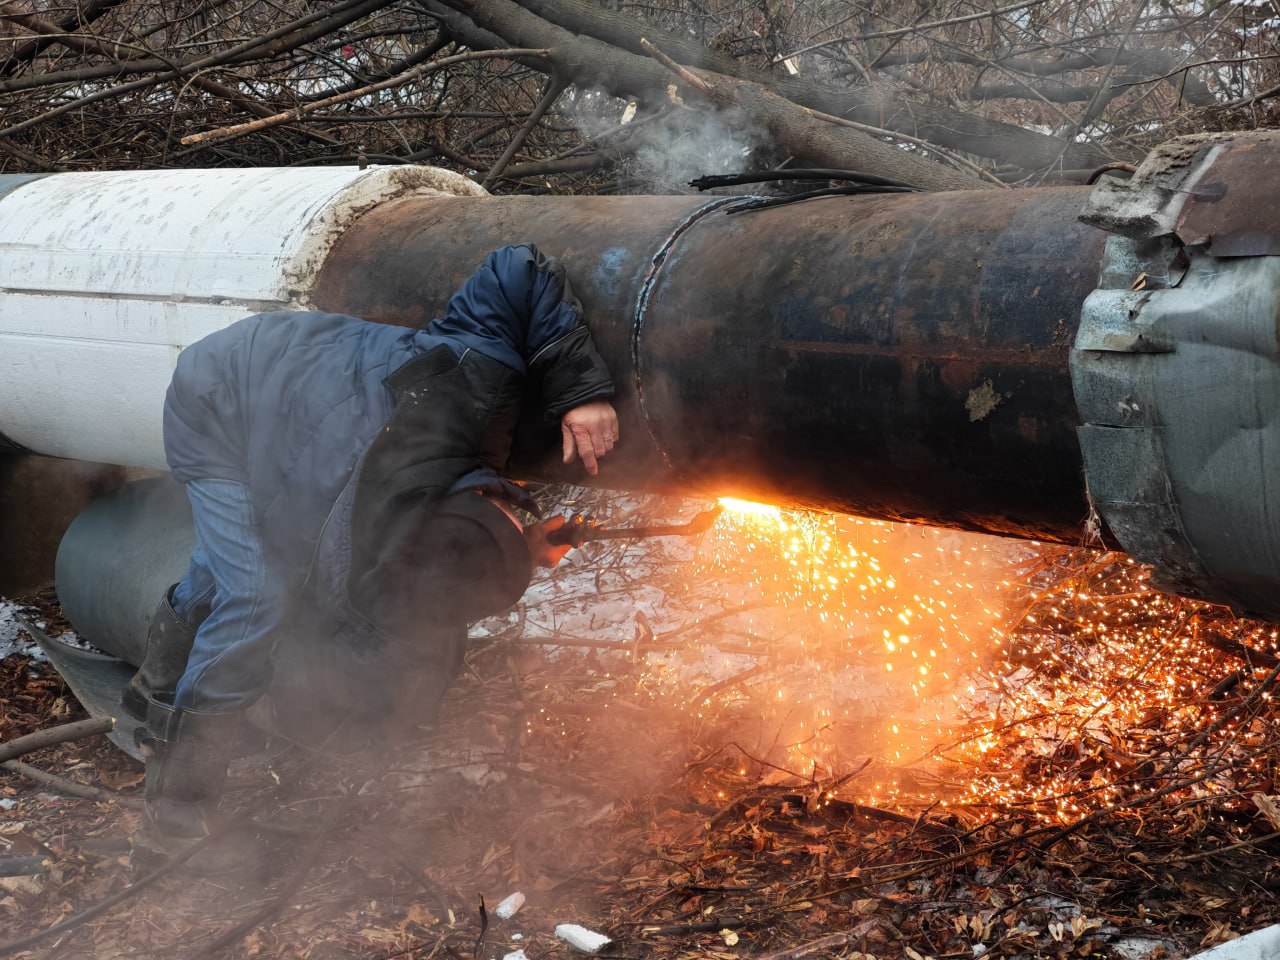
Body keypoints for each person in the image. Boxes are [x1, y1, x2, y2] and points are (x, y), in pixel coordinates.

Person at [123, 244, 619, 863]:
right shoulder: (460, 401)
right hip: (221, 397)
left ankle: (150, 700)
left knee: (231, 573)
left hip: (296, 412)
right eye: (517, 519)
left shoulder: (464, 426)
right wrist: (584, 390)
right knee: (255, 595)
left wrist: (524, 551)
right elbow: (516, 265)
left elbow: (437, 592)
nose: (520, 515)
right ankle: (177, 811)